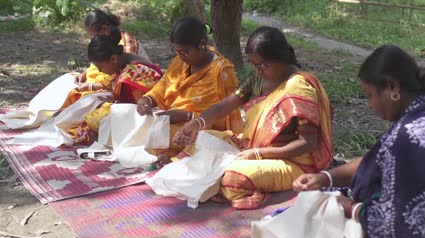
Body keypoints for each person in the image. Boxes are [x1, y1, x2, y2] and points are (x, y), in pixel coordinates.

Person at [293, 45, 425, 238]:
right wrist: (326, 178)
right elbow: (377, 162)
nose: (370, 105)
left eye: (370, 95)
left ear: (392, 87)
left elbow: (405, 230)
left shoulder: (410, 139)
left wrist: (352, 208)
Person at [173, 26, 334, 210]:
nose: (258, 70)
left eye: (263, 65)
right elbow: (226, 105)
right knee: (198, 140)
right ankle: (211, 179)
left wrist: (258, 154)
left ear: (281, 59)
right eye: (254, 65)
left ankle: (244, 189)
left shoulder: (299, 87)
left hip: (292, 162)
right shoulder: (258, 79)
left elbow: (307, 144)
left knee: (233, 178)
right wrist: (197, 123)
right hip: (252, 147)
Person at [136, 17, 243, 164]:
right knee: (132, 117)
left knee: (189, 138)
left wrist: (188, 116)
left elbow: (222, 117)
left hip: (203, 128)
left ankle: (172, 155)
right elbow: (161, 89)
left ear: (202, 44)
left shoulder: (221, 72)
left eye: (184, 51)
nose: (180, 56)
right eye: (175, 50)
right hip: (169, 118)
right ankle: (170, 154)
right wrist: (146, 100)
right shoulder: (180, 61)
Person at [67, 29, 162, 144]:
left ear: (113, 59)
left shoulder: (132, 72)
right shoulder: (125, 60)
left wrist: (112, 103)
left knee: (95, 118)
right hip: (136, 107)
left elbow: (140, 107)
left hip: (150, 114)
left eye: (101, 67)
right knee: (91, 105)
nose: (100, 71)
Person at [63, 9, 150, 108]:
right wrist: (86, 73)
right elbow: (103, 63)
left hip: (132, 84)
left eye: (93, 35)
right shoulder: (107, 41)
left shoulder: (126, 42)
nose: (92, 39)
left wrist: (91, 86)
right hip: (113, 78)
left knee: (86, 100)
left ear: (104, 28)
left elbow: (123, 75)